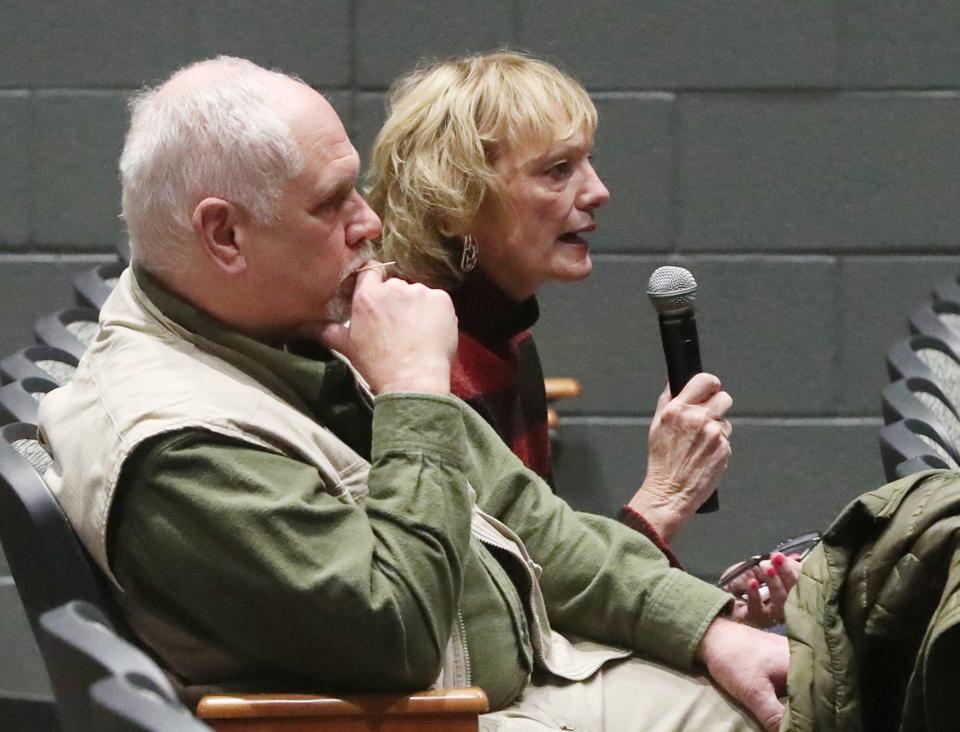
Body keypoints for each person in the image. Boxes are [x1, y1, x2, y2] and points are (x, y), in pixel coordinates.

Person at [39, 56, 787, 731]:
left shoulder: (280, 332)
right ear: (225, 236)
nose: (369, 223)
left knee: (824, 675)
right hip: (439, 717)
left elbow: (533, 524)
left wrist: (707, 628)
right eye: (333, 204)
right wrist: (413, 393)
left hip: (529, 676)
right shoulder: (179, 441)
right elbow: (394, 636)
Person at [367, 51, 801, 627]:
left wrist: (716, 613)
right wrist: (663, 501)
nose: (598, 191)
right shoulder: (414, 355)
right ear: (454, 203)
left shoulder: (504, 338)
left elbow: (549, 576)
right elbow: (509, 615)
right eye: (557, 170)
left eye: (588, 163)